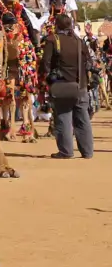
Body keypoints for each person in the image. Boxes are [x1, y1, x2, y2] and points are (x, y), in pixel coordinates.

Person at [41, 12, 93, 158]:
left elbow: (45, 63)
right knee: (83, 119)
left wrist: (47, 79)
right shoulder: (79, 42)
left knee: (63, 117)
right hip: (81, 85)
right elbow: (88, 62)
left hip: (62, 86)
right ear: (70, 25)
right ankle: (87, 152)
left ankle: (66, 151)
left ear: (56, 25)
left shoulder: (53, 40)